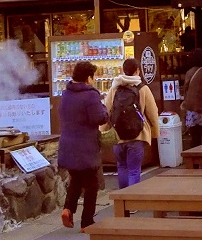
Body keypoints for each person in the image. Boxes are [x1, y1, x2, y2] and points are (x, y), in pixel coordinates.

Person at [57, 61, 110, 230]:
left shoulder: (66, 93)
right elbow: (99, 118)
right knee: (92, 185)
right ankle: (87, 222)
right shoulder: (90, 95)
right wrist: (105, 110)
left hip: (68, 145)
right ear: (88, 78)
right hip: (86, 146)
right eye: (93, 77)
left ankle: (67, 209)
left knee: (76, 179)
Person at [104, 57, 159, 189]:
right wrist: (155, 133)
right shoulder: (143, 88)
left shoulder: (115, 88)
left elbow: (106, 111)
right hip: (137, 135)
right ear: (137, 71)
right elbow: (153, 113)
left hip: (118, 136)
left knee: (122, 167)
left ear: (123, 70)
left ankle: (123, 201)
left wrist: (103, 131)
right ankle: (132, 202)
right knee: (134, 170)